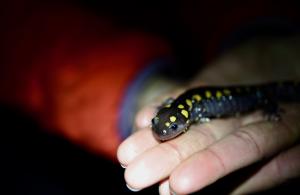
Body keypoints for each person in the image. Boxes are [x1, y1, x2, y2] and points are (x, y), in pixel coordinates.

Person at [117, 36, 300, 194]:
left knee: (263, 96)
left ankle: (274, 104)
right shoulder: (180, 109)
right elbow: (170, 108)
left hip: (250, 95)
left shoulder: (188, 109)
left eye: (173, 127)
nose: (162, 132)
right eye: (157, 123)